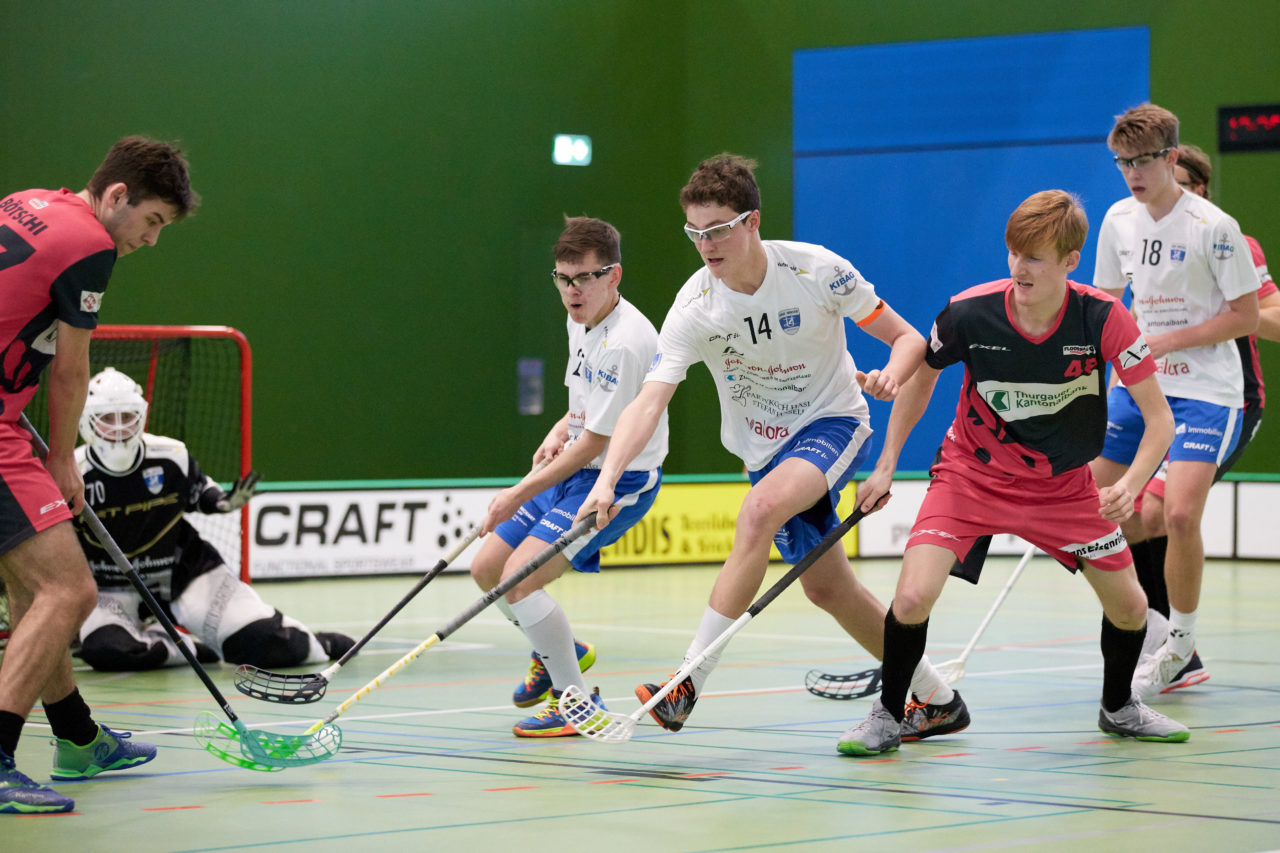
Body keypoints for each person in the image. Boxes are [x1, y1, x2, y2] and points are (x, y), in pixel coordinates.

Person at [576, 153, 961, 742]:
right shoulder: (695, 306)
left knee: (758, 513)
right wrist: (606, 480)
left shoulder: (816, 271)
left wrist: (891, 372)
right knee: (827, 588)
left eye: (718, 229)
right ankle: (936, 698)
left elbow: (907, 338)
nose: (706, 244)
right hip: (763, 454)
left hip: (832, 423)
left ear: (752, 221)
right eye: (695, 232)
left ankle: (686, 686)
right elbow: (648, 401)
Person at [839, 190, 1188, 756]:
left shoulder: (1104, 319)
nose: (1019, 268)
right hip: (969, 478)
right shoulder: (969, 312)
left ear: (1071, 261)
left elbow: (1160, 420)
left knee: (1129, 608)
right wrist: (885, 466)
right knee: (911, 597)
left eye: (1035, 257)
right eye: (1013, 253)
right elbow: (922, 378)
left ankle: (1119, 707)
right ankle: (888, 716)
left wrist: (1129, 484)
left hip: (1065, 489)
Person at [0, 136, 197, 814]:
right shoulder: (90, 243)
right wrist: (60, 459)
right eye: (153, 221)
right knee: (69, 590)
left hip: (4, 414)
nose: (151, 239)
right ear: (117, 196)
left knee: (35, 592)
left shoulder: (27, 201)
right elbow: (71, 367)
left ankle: (78, 738)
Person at [1088, 105, 1261, 702]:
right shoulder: (1116, 220)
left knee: (1180, 514)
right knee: (1084, 505)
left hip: (1208, 391)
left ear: (1169, 158)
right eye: (1121, 163)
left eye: (1141, 161)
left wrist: (1161, 340)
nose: (1131, 174)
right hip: (1139, 389)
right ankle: (1154, 626)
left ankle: (1182, 640)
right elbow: (1107, 302)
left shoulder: (1215, 227)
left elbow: (1243, 317)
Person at [470, 216, 667, 737]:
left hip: (618, 481)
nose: (571, 290)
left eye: (583, 278)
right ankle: (558, 651)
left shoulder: (626, 342)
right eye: (562, 278)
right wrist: (559, 426)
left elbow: (599, 443)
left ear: (613, 276)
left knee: (520, 580)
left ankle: (574, 699)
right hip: (577, 465)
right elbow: (583, 409)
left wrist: (515, 493)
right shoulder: (578, 320)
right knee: (488, 568)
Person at [73, 367, 354, 672]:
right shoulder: (72, 471)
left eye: (126, 416)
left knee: (261, 640)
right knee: (106, 650)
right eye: (107, 418)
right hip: (110, 589)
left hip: (184, 575)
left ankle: (320, 643)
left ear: (141, 416)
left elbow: (200, 493)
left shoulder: (171, 455)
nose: (118, 428)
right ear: (87, 421)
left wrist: (222, 502)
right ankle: (186, 648)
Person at [1125, 143, 1280, 682]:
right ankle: (1165, 639)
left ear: (1200, 191)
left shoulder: (1229, 240)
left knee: (1167, 513)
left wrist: (1221, 309)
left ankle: (1178, 645)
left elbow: (1273, 318)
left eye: (1184, 185)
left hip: (1227, 399)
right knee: (1126, 514)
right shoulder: (1138, 236)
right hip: (1161, 397)